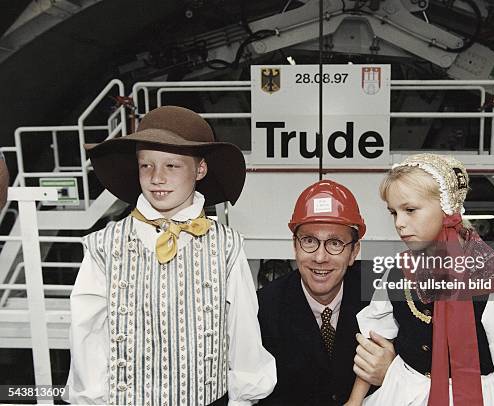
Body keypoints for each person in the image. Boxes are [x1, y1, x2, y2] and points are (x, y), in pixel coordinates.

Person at [65, 106, 276, 405]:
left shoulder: (227, 246)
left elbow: (243, 333)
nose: (157, 178)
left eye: (172, 166)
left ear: (200, 170)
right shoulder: (103, 247)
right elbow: (87, 336)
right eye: (146, 166)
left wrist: (243, 399)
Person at [345, 153, 494, 406]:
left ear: (446, 207)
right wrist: (354, 401)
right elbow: (376, 340)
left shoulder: (493, 279)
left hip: (471, 395)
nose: (400, 223)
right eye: (393, 213)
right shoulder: (398, 270)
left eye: (409, 210)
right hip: (403, 391)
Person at [257, 180, 395, 405]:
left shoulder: (381, 291)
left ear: (354, 252)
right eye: (309, 241)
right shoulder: (263, 309)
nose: (320, 257)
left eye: (335, 243)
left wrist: (393, 370)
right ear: (295, 246)